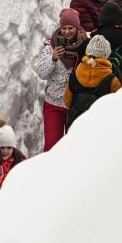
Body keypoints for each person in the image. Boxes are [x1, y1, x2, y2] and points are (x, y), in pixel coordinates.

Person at [35, 9, 88, 152]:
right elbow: (42, 73)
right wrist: (53, 58)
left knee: (73, 147)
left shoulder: (86, 46)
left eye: (70, 28)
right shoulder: (51, 45)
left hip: (76, 104)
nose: (67, 31)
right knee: (51, 147)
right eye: (64, 28)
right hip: (54, 104)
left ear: (77, 28)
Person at [64, 35, 122, 129]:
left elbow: (67, 102)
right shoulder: (112, 80)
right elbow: (118, 106)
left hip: (76, 126)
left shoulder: (74, 76)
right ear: (106, 54)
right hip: (100, 129)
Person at [0, 122, 26, 187]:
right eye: (2, 148)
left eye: (9, 148)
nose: (5, 151)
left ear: (13, 148)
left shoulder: (20, 161)